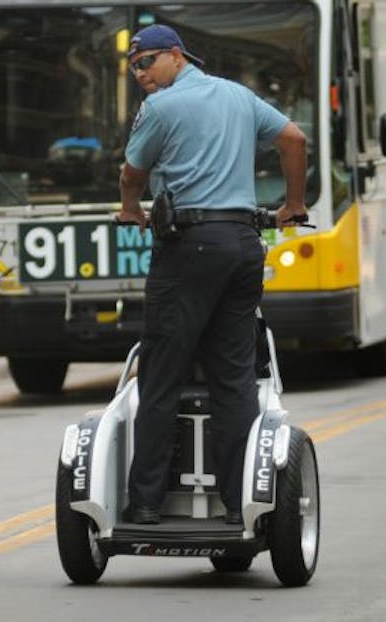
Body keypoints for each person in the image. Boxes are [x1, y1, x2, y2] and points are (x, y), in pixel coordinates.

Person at [115, 24, 308, 525]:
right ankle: (236, 501)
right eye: (133, 66)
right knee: (234, 378)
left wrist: (131, 209)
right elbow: (293, 137)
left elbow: (132, 173)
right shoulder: (238, 95)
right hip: (244, 245)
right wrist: (293, 203)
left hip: (190, 246)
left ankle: (146, 503)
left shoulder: (162, 107)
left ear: (177, 57)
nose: (140, 74)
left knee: (161, 373)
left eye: (146, 62)